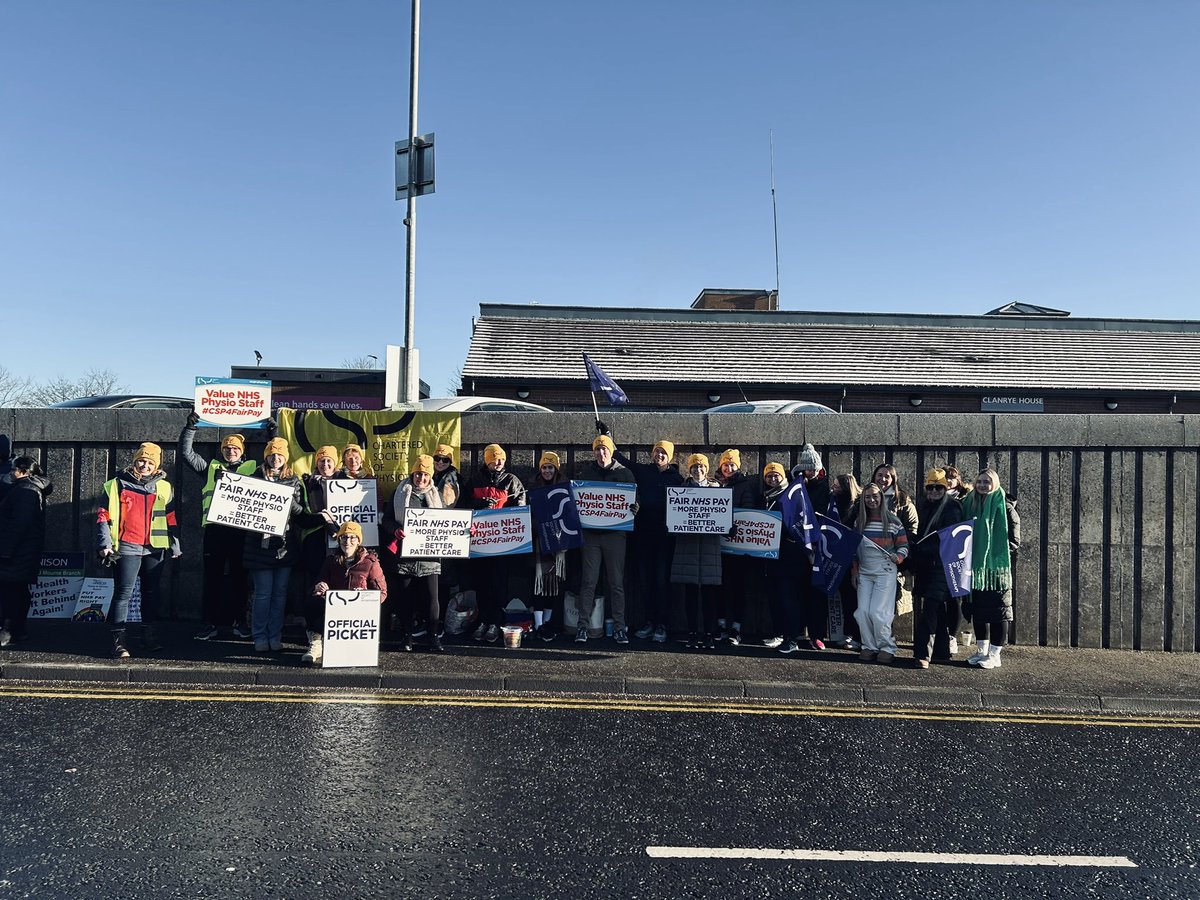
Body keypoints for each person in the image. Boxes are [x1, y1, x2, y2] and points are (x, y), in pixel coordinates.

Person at [96, 443, 181, 659]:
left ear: (156, 465)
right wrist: (105, 543)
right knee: (123, 593)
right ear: (134, 461)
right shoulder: (115, 484)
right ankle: (118, 641)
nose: (145, 465)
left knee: (151, 593)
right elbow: (103, 516)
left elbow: (170, 517)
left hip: (155, 547)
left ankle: (148, 636)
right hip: (126, 545)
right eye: (141, 460)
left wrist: (175, 544)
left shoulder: (165, 487)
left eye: (150, 462)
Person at [178, 414, 258, 640]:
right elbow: (186, 454)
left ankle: (239, 621)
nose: (231, 451)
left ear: (242, 451)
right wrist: (190, 427)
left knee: (240, 578)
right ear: (222, 450)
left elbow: (277, 458)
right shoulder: (211, 468)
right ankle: (209, 623)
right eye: (227, 448)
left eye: (235, 448)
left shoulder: (253, 467)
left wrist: (274, 433)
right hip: (215, 530)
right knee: (212, 578)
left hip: (241, 531)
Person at [604, 427, 683, 644]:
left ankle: (662, 623)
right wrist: (609, 437)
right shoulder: (644, 471)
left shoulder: (677, 479)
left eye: (663, 453)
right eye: (657, 452)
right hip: (643, 536)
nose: (659, 456)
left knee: (661, 581)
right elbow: (621, 459)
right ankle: (649, 621)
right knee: (645, 581)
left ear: (670, 457)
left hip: (665, 539)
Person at [574, 433, 639, 644]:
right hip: (591, 535)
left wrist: (635, 508)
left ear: (611, 451)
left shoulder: (625, 473)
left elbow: (635, 499)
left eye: (605, 449)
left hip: (615, 536)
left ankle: (620, 627)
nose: (601, 453)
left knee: (616, 583)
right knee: (588, 582)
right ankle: (582, 626)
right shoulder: (586, 473)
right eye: (598, 450)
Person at [242, 438, 305, 653]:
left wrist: (286, 498)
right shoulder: (253, 478)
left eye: (280, 455)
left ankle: (274, 635)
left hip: (284, 546)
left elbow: (300, 512)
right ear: (266, 456)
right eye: (272, 454)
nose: (276, 458)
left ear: (285, 458)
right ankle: (259, 636)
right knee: (262, 594)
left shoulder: (293, 480)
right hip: (259, 546)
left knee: (280, 594)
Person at [460, 443, 525, 643]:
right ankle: (483, 620)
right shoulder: (475, 480)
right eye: (495, 459)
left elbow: (521, 508)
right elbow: (462, 505)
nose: (499, 462)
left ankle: (496, 622)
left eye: (502, 459)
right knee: (482, 583)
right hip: (480, 543)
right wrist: (479, 504)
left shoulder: (511, 480)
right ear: (487, 460)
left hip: (502, 544)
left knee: (499, 584)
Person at [962, 468, 1020, 670]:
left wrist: (994, 558)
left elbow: (1014, 539)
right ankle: (981, 652)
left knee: (999, 613)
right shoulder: (969, 503)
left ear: (994, 483)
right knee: (979, 613)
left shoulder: (1004, 506)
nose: (982, 485)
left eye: (987, 482)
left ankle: (995, 655)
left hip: (996, 572)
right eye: (979, 481)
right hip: (976, 571)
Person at [388, 455, 447, 652]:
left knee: (432, 599)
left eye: (425, 474)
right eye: (418, 474)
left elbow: (449, 523)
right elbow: (387, 520)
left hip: (429, 556)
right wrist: (395, 530)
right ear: (412, 473)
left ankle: (433, 637)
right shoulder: (399, 492)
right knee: (405, 599)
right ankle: (407, 637)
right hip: (405, 555)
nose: (421, 478)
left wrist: (465, 532)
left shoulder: (438, 496)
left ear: (430, 476)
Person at [911, 468, 966, 668]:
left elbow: (951, 539)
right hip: (927, 566)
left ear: (945, 488)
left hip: (943, 566)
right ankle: (941, 651)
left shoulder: (953, 508)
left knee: (931, 610)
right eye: (930, 487)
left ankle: (922, 654)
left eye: (938, 487)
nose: (934, 490)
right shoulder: (926, 506)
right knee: (937, 610)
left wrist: (921, 547)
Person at [311, 521, 388, 662]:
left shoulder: (371, 562)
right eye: (344, 537)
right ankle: (316, 644)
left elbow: (382, 593)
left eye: (353, 537)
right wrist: (320, 587)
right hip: (336, 608)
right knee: (312, 603)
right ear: (339, 539)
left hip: (359, 612)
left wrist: (365, 596)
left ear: (358, 541)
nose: (348, 541)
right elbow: (319, 583)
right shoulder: (331, 560)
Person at [670, 453, 723, 650]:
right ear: (689, 470)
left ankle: (709, 633)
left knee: (710, 595)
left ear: (707, 469)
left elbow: (724, 515)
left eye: (701, 467)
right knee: (690, 594)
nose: (698, 470)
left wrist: (727, 526)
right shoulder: (681, 491)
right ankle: (692, 632)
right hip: (688, 548)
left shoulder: (717, 489)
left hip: (709, 549)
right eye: (694, 467)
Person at [851, 483, 908, 664]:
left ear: (882, 498)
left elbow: (904, 547)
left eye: (875, 496)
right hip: (865, 571)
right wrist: (854, 571)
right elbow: (853, 551)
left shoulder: (893, 521)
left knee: (878, 612)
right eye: (867, 497)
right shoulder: (859, 522)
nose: (871, 500)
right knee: (862, 612)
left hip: (885, 571)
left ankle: (887, 647)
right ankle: (869, 646)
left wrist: (898, 557)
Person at [0, 456, 52, 647]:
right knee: (17, 591)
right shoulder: (28, 487)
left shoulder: (26, 490)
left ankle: (10, 630)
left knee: (11, 593)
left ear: (23, 472)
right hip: (24, 550)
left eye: (13, 469)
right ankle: (16, 630)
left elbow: (19, 525)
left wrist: (6, 550)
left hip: (17, 552)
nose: (10, 473)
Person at [297, 445, 340, 661]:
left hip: (341, 548)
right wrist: (321, 518)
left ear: (336, 463)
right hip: (314, 546)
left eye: (329, 461)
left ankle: (336, 638)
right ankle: (314, 639)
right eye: (322, 461)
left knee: (339, 590)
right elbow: (300, 517)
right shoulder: (307, 484)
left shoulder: (347, 484)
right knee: (315, 591)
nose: (325, 465)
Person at [713, 448, 757, 645]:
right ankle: (721, 625)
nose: (728, 468)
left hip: (738, 546)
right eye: (725, 465)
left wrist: (732, 525)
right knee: (719, 587)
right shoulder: (714, 485)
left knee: (738, 587)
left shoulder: (745, 486)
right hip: (717, 545)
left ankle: (736, 628)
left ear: (738, 466)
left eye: (732, 465)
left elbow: (747, 513)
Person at [790, 443, 830, 650]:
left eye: (814, 468)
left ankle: (817, 634)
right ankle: (797, 631)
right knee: (797, 591)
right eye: (807, 468)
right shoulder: (795, 486)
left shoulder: (827, 488)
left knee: (817, 593)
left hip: (819, 547)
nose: (811, 472)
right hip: (798, 545)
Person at [528, 451, 569, 641]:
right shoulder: (532, 487)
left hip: (558, 542)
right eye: (544, 467)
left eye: (550, 467)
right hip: (538, 540)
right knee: (538, 584)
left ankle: (547, 623)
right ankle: (538, 625)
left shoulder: (565, 486)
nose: (547, 471)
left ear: (556, 469)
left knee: (554, 584)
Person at [829, 473, 862, 648]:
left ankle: (858, 635)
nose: (833, 489)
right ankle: (850, 633)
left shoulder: (857, 507)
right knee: (846, 599)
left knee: (855, 599)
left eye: (836, 486)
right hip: (839, 557)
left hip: (854, 558)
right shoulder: (833, 504)